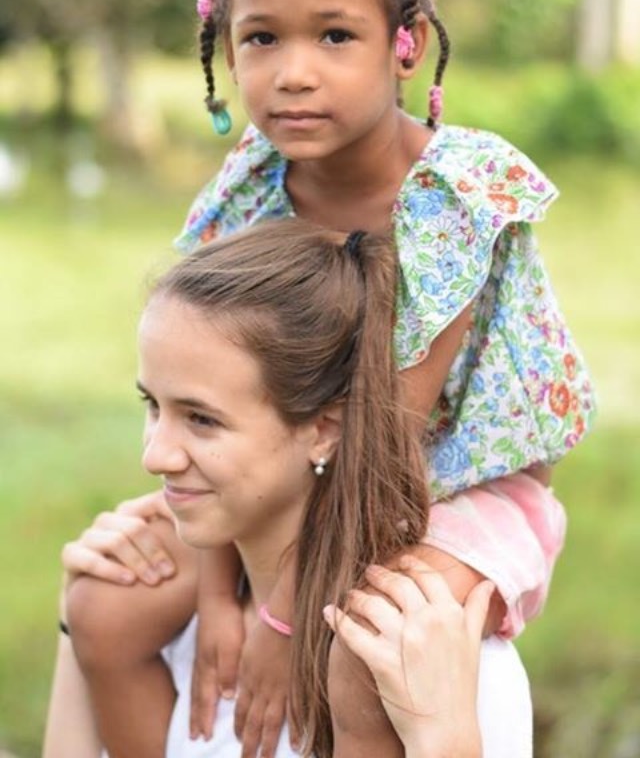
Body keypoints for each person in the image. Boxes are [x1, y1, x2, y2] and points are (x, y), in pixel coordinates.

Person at [48, 0, 594, 757]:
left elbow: (380, 447)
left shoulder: (454, 198)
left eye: (335, 36)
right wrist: (218, 590)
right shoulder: (254, 184)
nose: (293, 73)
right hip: (284, 480)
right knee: (106, 613)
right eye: (261, 38)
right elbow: (213, 380)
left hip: (444, 494)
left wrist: (279, 618)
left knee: (352, 656)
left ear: (405, 46)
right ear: (226, 49)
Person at [58, 220, 533, 758]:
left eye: (201, 420)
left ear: (324, 431)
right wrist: (74, 607)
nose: (154, 456)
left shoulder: (429, 667)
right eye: (153, 406)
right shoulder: (161, 627)